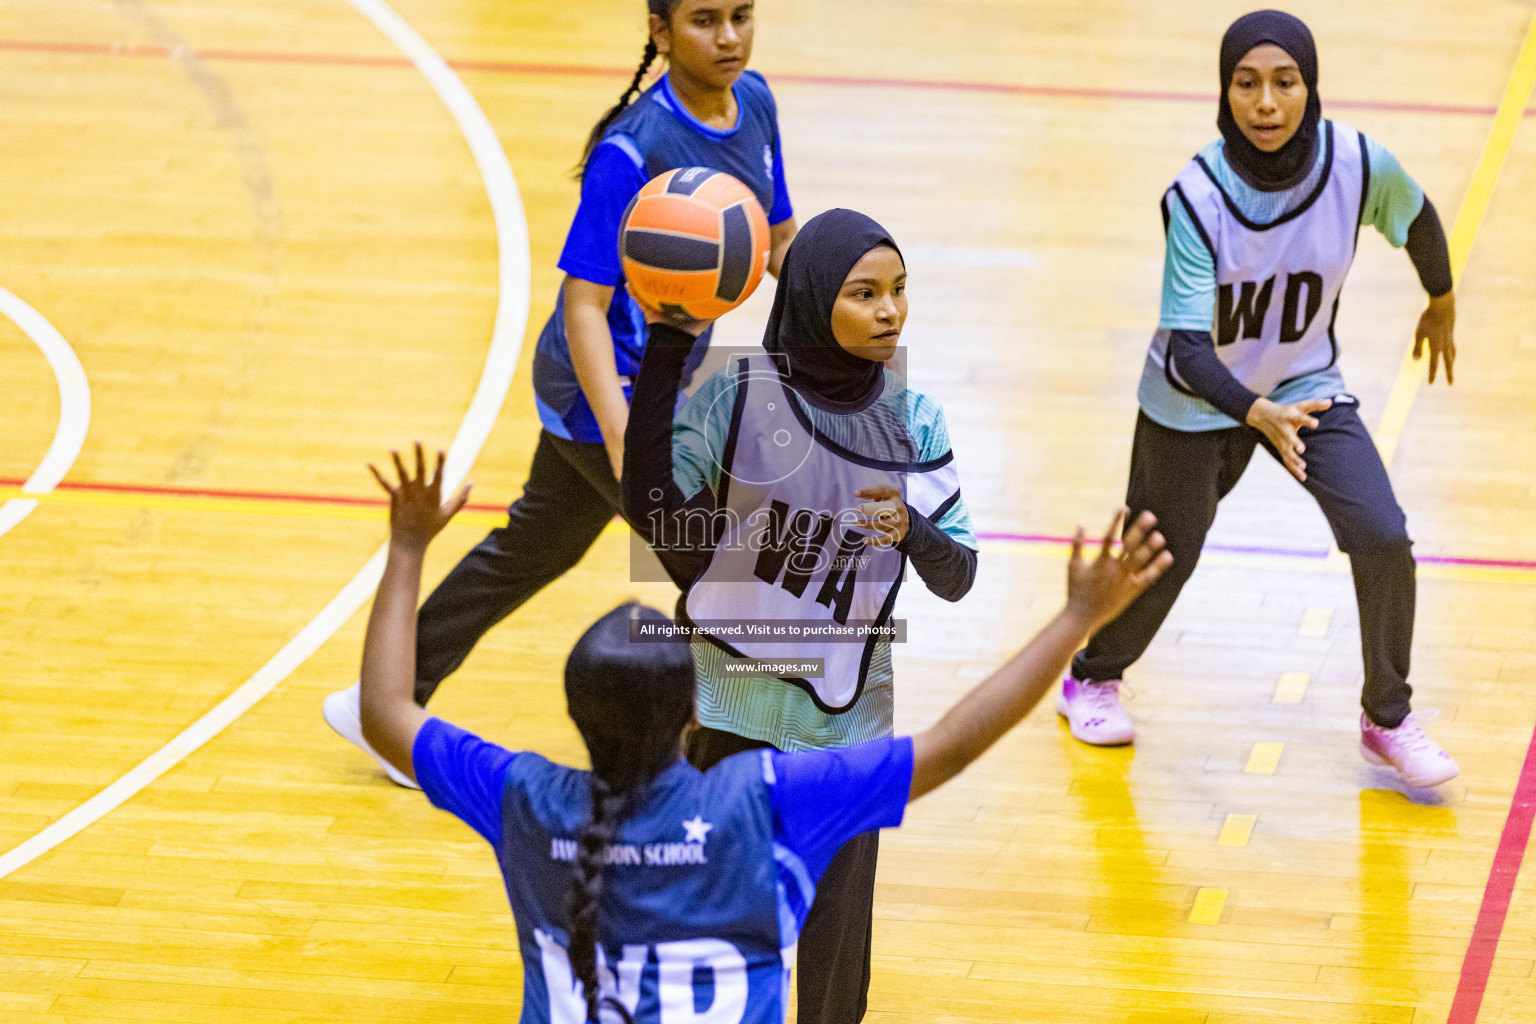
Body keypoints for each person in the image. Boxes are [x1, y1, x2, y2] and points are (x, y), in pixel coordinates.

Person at [357, 442, 1171, 1024]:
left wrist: (405, 547)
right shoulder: (764, 805)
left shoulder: (524, 800)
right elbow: (952, 743)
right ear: (692, 711)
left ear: (574, 714)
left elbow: (387, 711)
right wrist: (1077, 618)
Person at [324, 0, 798, 788]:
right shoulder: (632, 150)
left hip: (662, 384)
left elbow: (774, 239)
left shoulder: (755, 104)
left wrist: (828, 295)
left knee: (539, 544)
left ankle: (386, 700)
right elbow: (583, 303)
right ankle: (708, 761)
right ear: (660, 31)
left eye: (741, 16)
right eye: (705, 20)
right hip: (598, 391)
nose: (728, 38)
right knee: (715, 569)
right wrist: (624, 439)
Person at [1055, 9, 1460, 788]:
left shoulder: (1358, 163)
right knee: (1163, 559)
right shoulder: (1197, 197)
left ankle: (1389, 717)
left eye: (1285, 83)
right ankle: (1091, 678)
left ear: (1311, 88)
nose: (1267, 103)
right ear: (1224, 91)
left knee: (1381, 536)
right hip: (1194, 401)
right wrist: (1251, 413)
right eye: (1247, 84)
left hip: (1305, 387)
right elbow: (1187, 348)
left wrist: (1440, 300)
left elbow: (1417, 219)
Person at [621, 209, 978, 1022]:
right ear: (815, 300)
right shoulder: (739, 397)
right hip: (725, 712)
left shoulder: (914, 422)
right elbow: (652, 509)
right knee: (707, 939)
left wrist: (914, 530)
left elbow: (959, 578)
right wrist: (670, 344)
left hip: (847, 735)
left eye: (898, 292)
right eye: (864, 294)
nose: (890, 312)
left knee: (834, 968)